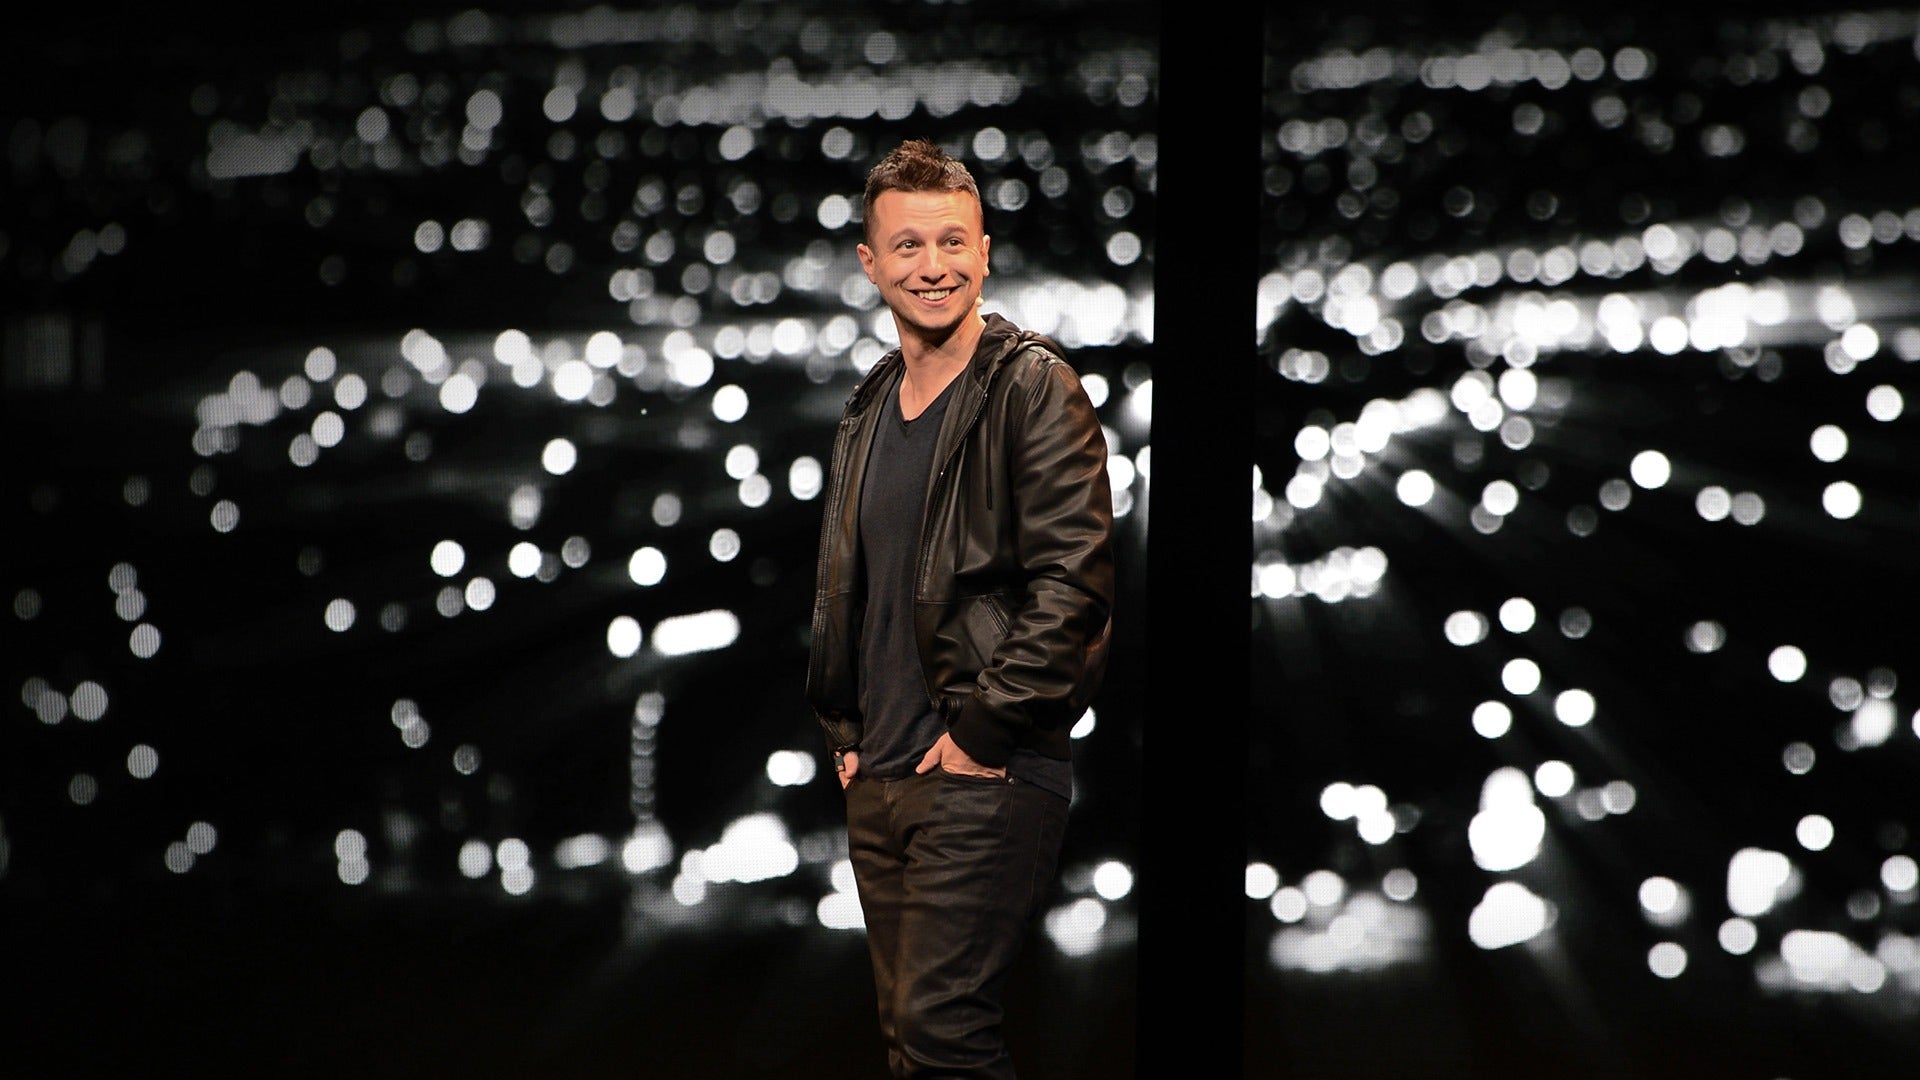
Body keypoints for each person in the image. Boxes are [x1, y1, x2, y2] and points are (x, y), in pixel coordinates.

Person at [805, 136, 1116, 1078]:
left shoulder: (1032, 386)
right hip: (883, 774)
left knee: (942, 1030)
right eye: (907, 246)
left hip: (982, 768)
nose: (931, 267)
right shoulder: (867, 406)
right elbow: (848, 586)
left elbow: (1076, 584)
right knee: (911, 1042)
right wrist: (846, 729)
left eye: (952, 243)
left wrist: (985, 732)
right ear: (870, 264)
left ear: (984, 254)